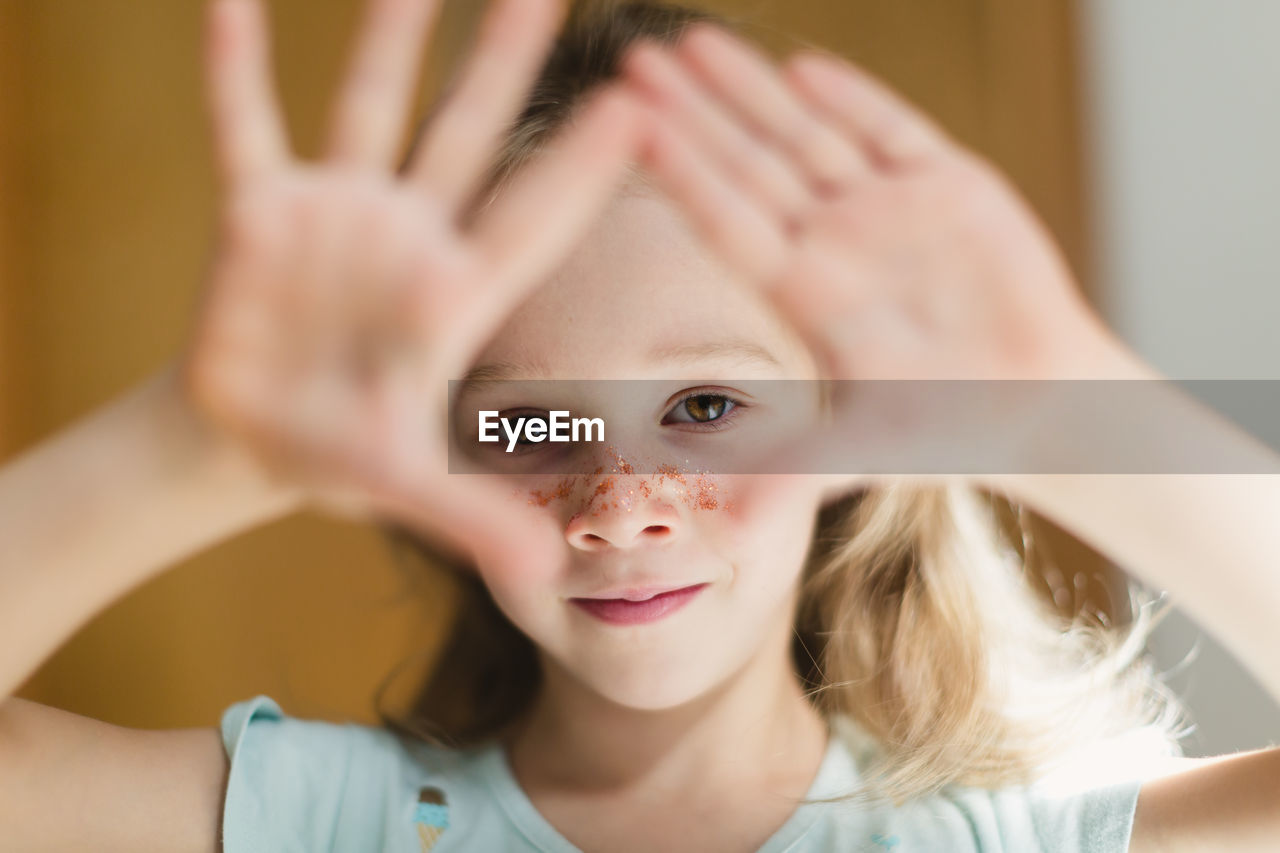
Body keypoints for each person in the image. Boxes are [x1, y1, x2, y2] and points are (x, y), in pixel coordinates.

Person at [1, 0, 1278, 851]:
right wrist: (182, 457)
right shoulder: (334, 820)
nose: (621, 503)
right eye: (530, 427)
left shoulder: (1016, 836)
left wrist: (1062, 404)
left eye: (707, 407)